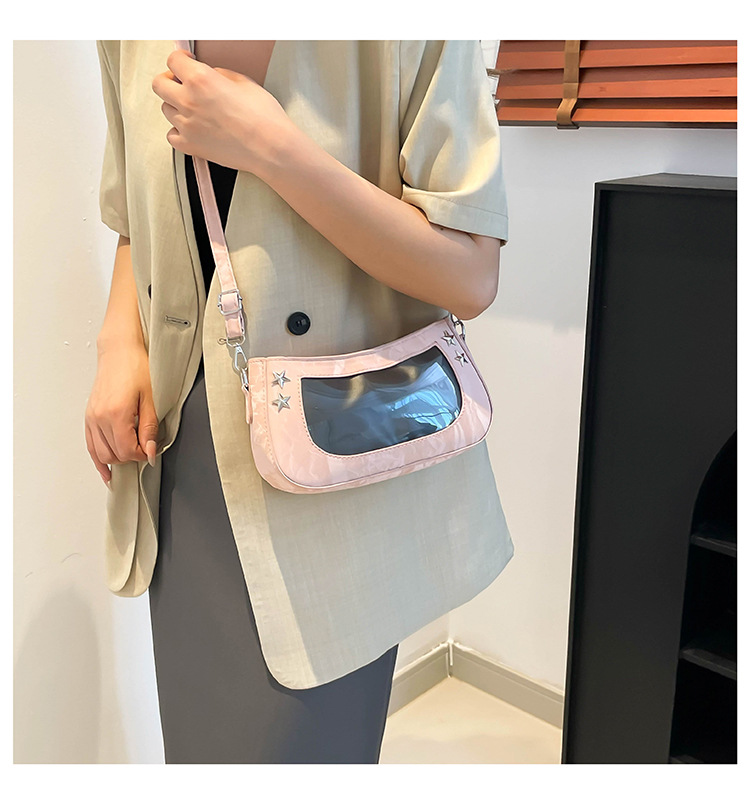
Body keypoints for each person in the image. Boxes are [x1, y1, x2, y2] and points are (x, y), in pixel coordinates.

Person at [85, 39, 514, 764]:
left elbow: (469, 273)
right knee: (201, 745)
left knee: (307, 745)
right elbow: (136, 212)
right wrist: (118, 343)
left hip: (332, 451)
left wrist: (273, 149)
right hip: (184, 452)